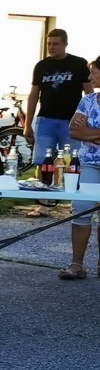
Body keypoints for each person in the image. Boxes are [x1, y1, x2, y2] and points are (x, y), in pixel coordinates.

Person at [24, 29, 92, 218]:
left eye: (56, 44)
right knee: (43, 162)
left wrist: (89, 120)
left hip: (71, 122)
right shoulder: (41, 66)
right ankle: (43, 204)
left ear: (65, 44)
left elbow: (89, 93)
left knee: (73, 163)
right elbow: (33, 95)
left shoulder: (79, 64)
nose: (51, 47)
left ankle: (74, 203)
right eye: (49, 44)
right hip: (45, 120)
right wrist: (27, 124)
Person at [63, 56, 100, 279]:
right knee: (82, 209)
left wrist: (91, 133)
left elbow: (83, 131)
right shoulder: (88, 101)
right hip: (90, 164)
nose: (89, 77)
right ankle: (76, 265)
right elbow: (74, 131)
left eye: (94, 72)